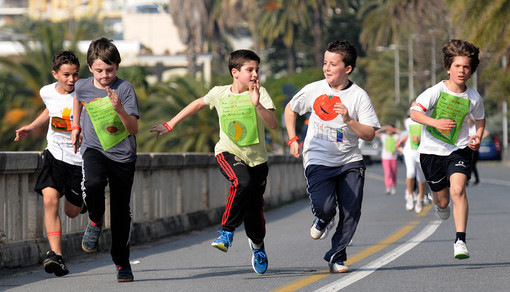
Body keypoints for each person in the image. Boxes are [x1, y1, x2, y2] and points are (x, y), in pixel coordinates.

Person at [150, 49, 277, 275]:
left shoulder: (260, 93)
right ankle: (226, 232)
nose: (255, 74)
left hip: (257, 160)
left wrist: (257, 104)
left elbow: (274, 124)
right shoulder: (220, 93)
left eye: (257, 69)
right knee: (242, 182)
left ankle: (257, 246)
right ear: (235, 72)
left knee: (254, 211)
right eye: (250, 70)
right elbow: (197, 104)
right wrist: (171, 123)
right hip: (227, 152)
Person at [284, 40, 380, 273]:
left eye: (333, 64)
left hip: (349, 160)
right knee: (325, 207)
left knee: (351, 210)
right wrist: (292, 139)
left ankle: (337, 256)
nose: (326, 68)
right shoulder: (314, 89)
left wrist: (349, 120)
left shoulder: (358, 96)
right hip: (318, 157)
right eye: (325, 63)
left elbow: (369, 134)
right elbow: (290, 109)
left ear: (347, 68)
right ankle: (324, 219)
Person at [71, 37, 140, 282]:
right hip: (94, 149)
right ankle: (96, 219)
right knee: (93, 184)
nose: (104, 75)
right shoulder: (82, 86)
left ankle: (122, 263)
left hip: (123, 156)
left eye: (109, 70)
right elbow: (78, 99)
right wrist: (75, 127)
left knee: (121, 212)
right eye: (99, 70)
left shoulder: (125, 89)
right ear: (90, 68)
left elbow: (133, 129)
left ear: (117, 67)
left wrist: (119, 108)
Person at [410, 39, 485, 260]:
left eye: (466, 67)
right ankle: (438, 202)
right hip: (431, 151)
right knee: (443, 201)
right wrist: (435, 123)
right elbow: (415, 113)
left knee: (458, 190)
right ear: (448, 68)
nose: (461, 71)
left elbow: (480, 121)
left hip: (459, 149)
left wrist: (477, 138)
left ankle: (460, 240)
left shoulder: (473, 98)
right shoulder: (435, 91)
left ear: (471, 72)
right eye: (457, 66)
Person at [14, 50, 85, 277]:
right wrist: (33, 126)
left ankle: (85, 203)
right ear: (55, 74)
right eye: (66, 75)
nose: (71, 80)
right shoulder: (46, 92)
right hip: (54, 154)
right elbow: (51, 109)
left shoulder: (85, 92)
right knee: (49, 201)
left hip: (79, 160)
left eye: (75, 74)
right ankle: (57, 256)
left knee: (72, 212)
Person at [397, 103, 428, 213]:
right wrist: (400, 141)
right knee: (410, 172)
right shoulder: (408, 121)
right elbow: (409, 133)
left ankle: (420, 198)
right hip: (409, 150)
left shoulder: (426, 120)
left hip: (421, 151)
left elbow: (429, 136)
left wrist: (420, 140)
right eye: (412, 107)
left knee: (421, 177)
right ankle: (410, 196)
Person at [375, 125, 401, 195]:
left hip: (393, 158)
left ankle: (393, 186)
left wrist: (394, 129)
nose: (389, 131)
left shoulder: (395, 137)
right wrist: (383, 128)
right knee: (387, 173)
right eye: (387, 130)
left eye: (390, 130)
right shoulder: (384, 136)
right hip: (385, 158)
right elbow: (374, 133)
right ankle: (388, 187)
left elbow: (402, 133)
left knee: (393, 173)